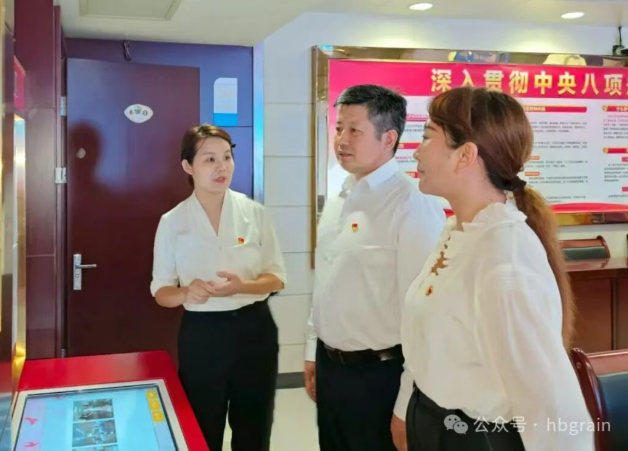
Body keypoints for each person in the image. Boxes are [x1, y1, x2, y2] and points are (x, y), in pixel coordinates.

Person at [404, 87, 594, 450]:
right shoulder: (460, 229)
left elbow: (551, 404)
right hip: (436, 423)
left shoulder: (505, 259)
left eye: (427, 136)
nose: (416, 150)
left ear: (465, 155)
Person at [305, 84, 446, 451]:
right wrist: (312, 350)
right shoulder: (341, 193)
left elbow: (424, 315)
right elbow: (326, 280)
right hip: (330, 367)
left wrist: (406, 403)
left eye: (355, 130)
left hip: (380, 376)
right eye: (339, 128)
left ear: (389, 138)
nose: (341, 140)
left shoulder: (412, 205)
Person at [151, 124, 286, 451]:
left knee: (254, 427)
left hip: (255, 330)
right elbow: (161, 291)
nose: (221, 167)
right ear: (188, 166)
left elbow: (276, 277)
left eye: (227, 157)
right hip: (203, 335)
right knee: (201, 426)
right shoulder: (172, 222)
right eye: (209, 159)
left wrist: (245, 286)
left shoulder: (254, 213)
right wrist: (186, 293)